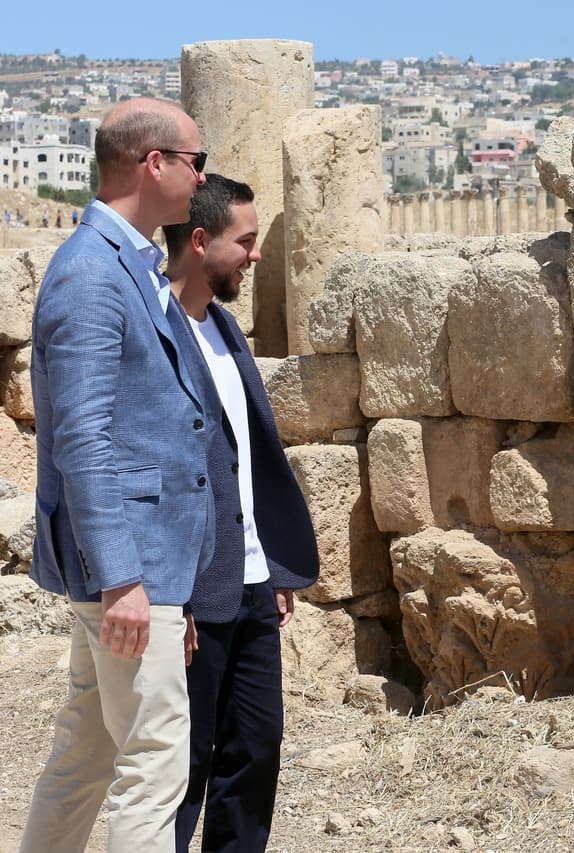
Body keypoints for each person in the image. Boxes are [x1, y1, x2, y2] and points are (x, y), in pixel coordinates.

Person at [22, 98, 215, 853]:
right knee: (154, 765)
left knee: (88, 751)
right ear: (153, 163)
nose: (204, 176)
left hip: (140, 564)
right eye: (196, 160)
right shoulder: (92, 276)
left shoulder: (122, 261)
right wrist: (126, 579)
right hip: (126, 565)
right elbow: (83, 438)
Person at [162, 174, 319, 853]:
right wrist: (173, 592)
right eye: (245, 242)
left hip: (253, 580)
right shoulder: (158, 333)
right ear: (200, 242)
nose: (255, 256)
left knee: (256, 747)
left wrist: (274, 562)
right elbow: (162, 474)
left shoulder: (225, 328)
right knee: (185, 763)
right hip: (195, 590)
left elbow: (244, 458)